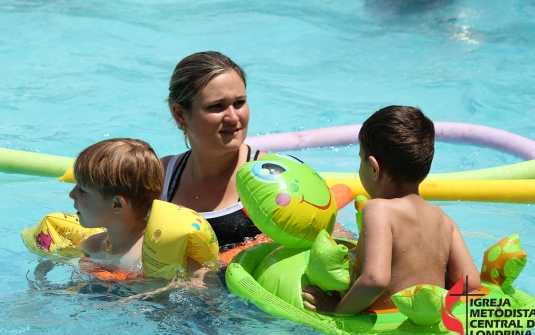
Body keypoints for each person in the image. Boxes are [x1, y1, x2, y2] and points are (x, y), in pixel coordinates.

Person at [302, 106, 481, 315]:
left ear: (374, 168)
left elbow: (374, 280)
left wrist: (337, 310)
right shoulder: (443, 218)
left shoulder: (377, 209)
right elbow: (470, 283)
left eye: (360, 158)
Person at [68, 138, 217, 286]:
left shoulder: (159, 255)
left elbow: (206, 283)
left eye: (82, 190)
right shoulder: (91, 246)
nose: (72, 194)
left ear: (117, 204)